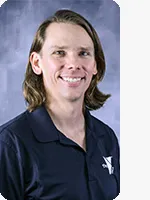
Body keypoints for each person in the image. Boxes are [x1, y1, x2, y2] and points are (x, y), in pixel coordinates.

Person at [0, 9, 120, 200]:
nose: (73, 64)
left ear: (95, 65)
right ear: (37, 63)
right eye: (59, 52)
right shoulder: (10, 144)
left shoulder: (107, 138)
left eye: (83, 53)